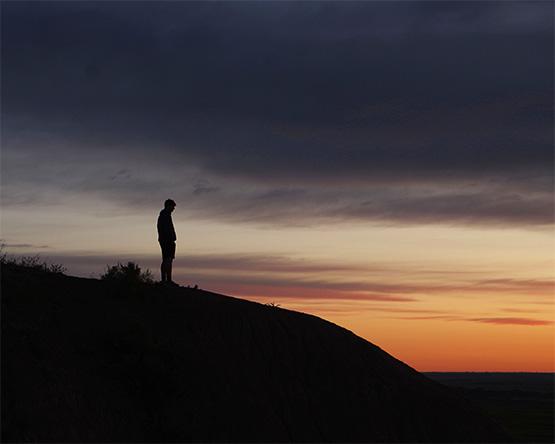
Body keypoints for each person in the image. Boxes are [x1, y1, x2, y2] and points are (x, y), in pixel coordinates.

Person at [157, 199, 177, 285]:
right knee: (167, 259)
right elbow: (164, 229)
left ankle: (167, 279)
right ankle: (165, 280)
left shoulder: (166, 215)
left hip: (168, 240)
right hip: (166, 240)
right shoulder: (164, 215)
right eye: (172, 207)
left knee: (168, 259)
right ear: (168, 206)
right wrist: (169, 238)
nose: (173, 209)